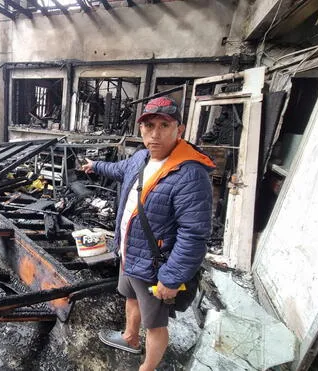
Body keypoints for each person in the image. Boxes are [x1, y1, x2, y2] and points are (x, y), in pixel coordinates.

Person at [81, 96, 215, 371]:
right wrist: (95, 166)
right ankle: (130, 338)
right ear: (141, 128)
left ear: (180, 129)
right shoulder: (141, 158)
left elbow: (194, 235)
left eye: (164, 125)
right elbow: (119, 169)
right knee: (131, 297)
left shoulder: (190, 174)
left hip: (157, 266)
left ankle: (147, 367)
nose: (155, 133)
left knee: (155, 323)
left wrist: (172, 276)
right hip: (130, 253)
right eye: (149, 125)